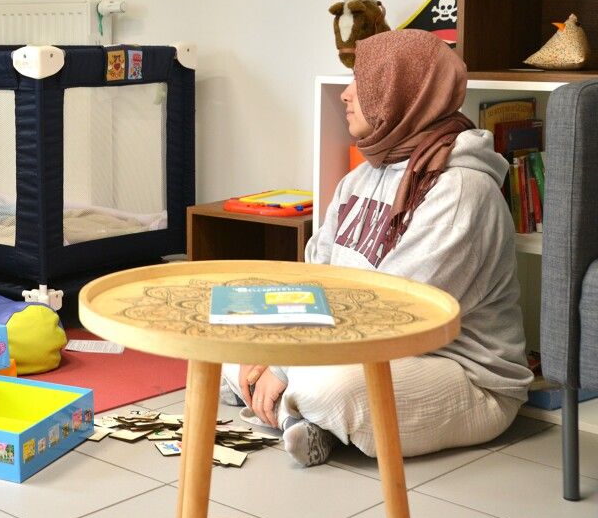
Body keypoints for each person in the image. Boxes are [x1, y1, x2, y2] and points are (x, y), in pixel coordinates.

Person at [221, 29, 532, 466]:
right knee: (223, 335)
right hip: (358, 344)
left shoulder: (463, 189)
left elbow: (393, 311)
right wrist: (274, 344)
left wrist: (285, 364)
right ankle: (306, 418)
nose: (346, 95)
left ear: (400, 94)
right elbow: (315, 273)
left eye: (360, 84)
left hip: (459, 372)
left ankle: (297, 405)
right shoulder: (363, 176)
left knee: (322, 386)